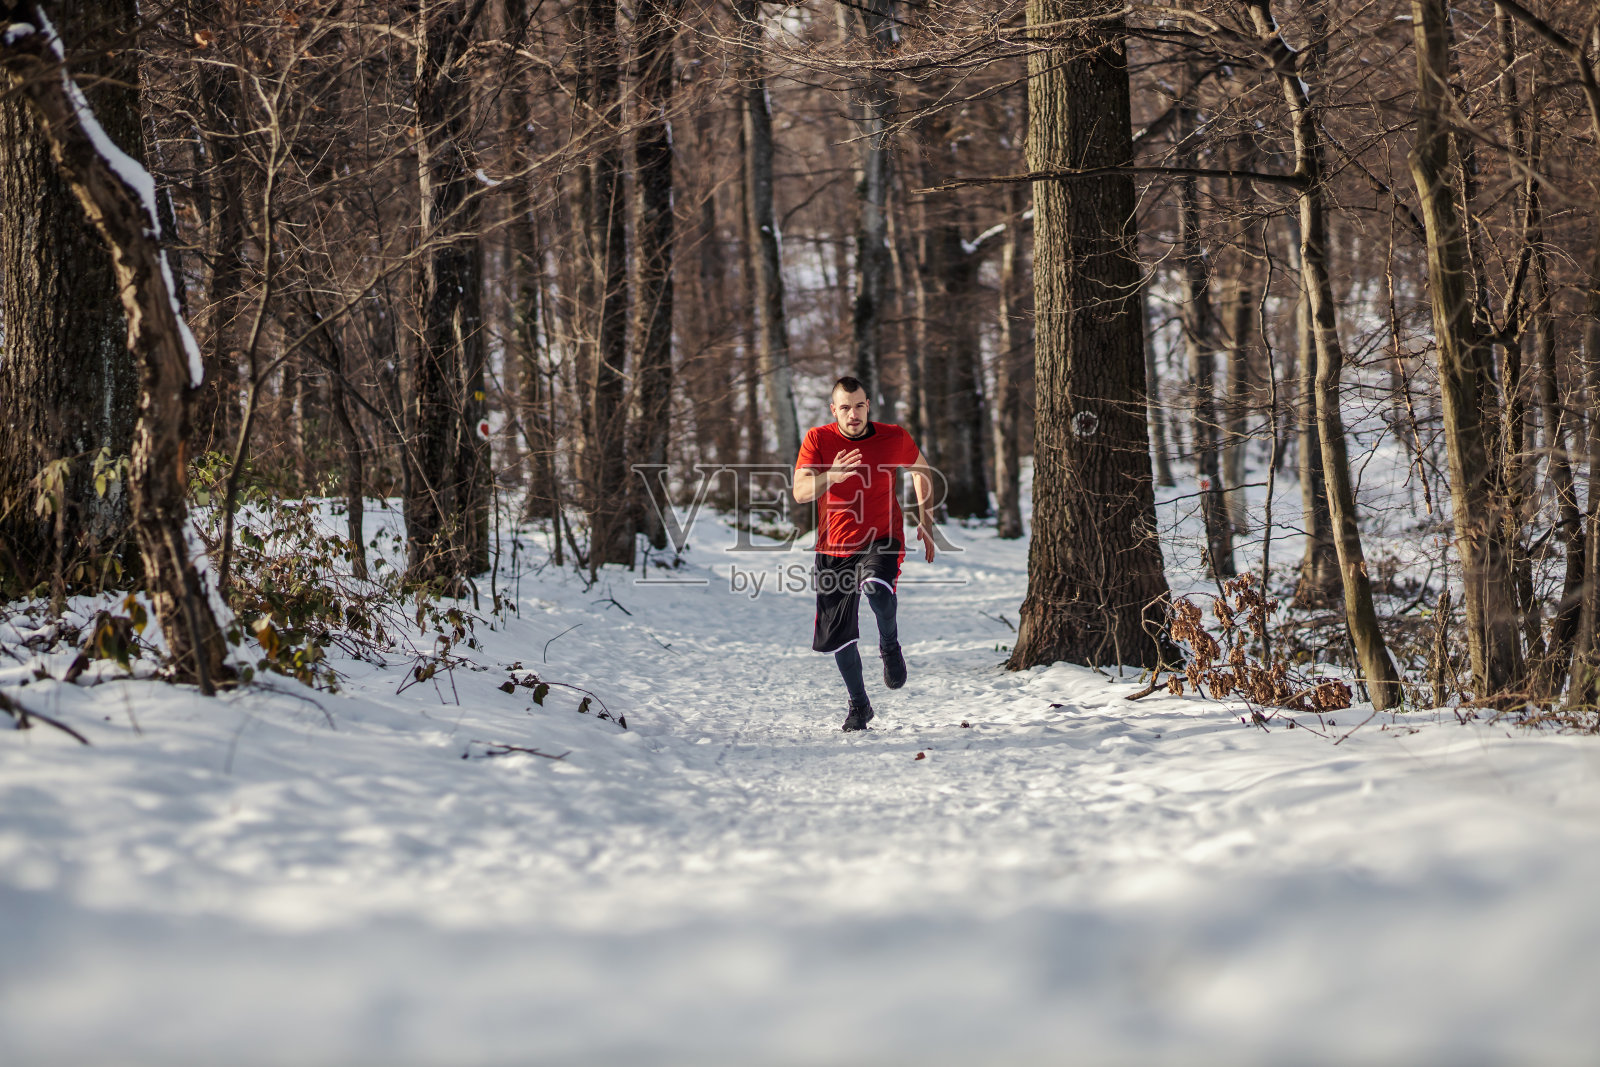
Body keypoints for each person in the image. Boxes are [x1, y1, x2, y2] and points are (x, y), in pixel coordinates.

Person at [792, 376, 936, 731]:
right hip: (833, 547)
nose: (853, 414)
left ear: (868, 405)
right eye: (845, 407)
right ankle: (859, 705)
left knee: (876, 589)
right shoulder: (818, 439)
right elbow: (801, 492)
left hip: (881, 538)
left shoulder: (892, 437)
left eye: (859, 406)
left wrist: (926, 519)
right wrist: (832, 475)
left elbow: (921, 470)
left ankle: (889, 644)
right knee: (840, 635)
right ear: (833, 410)